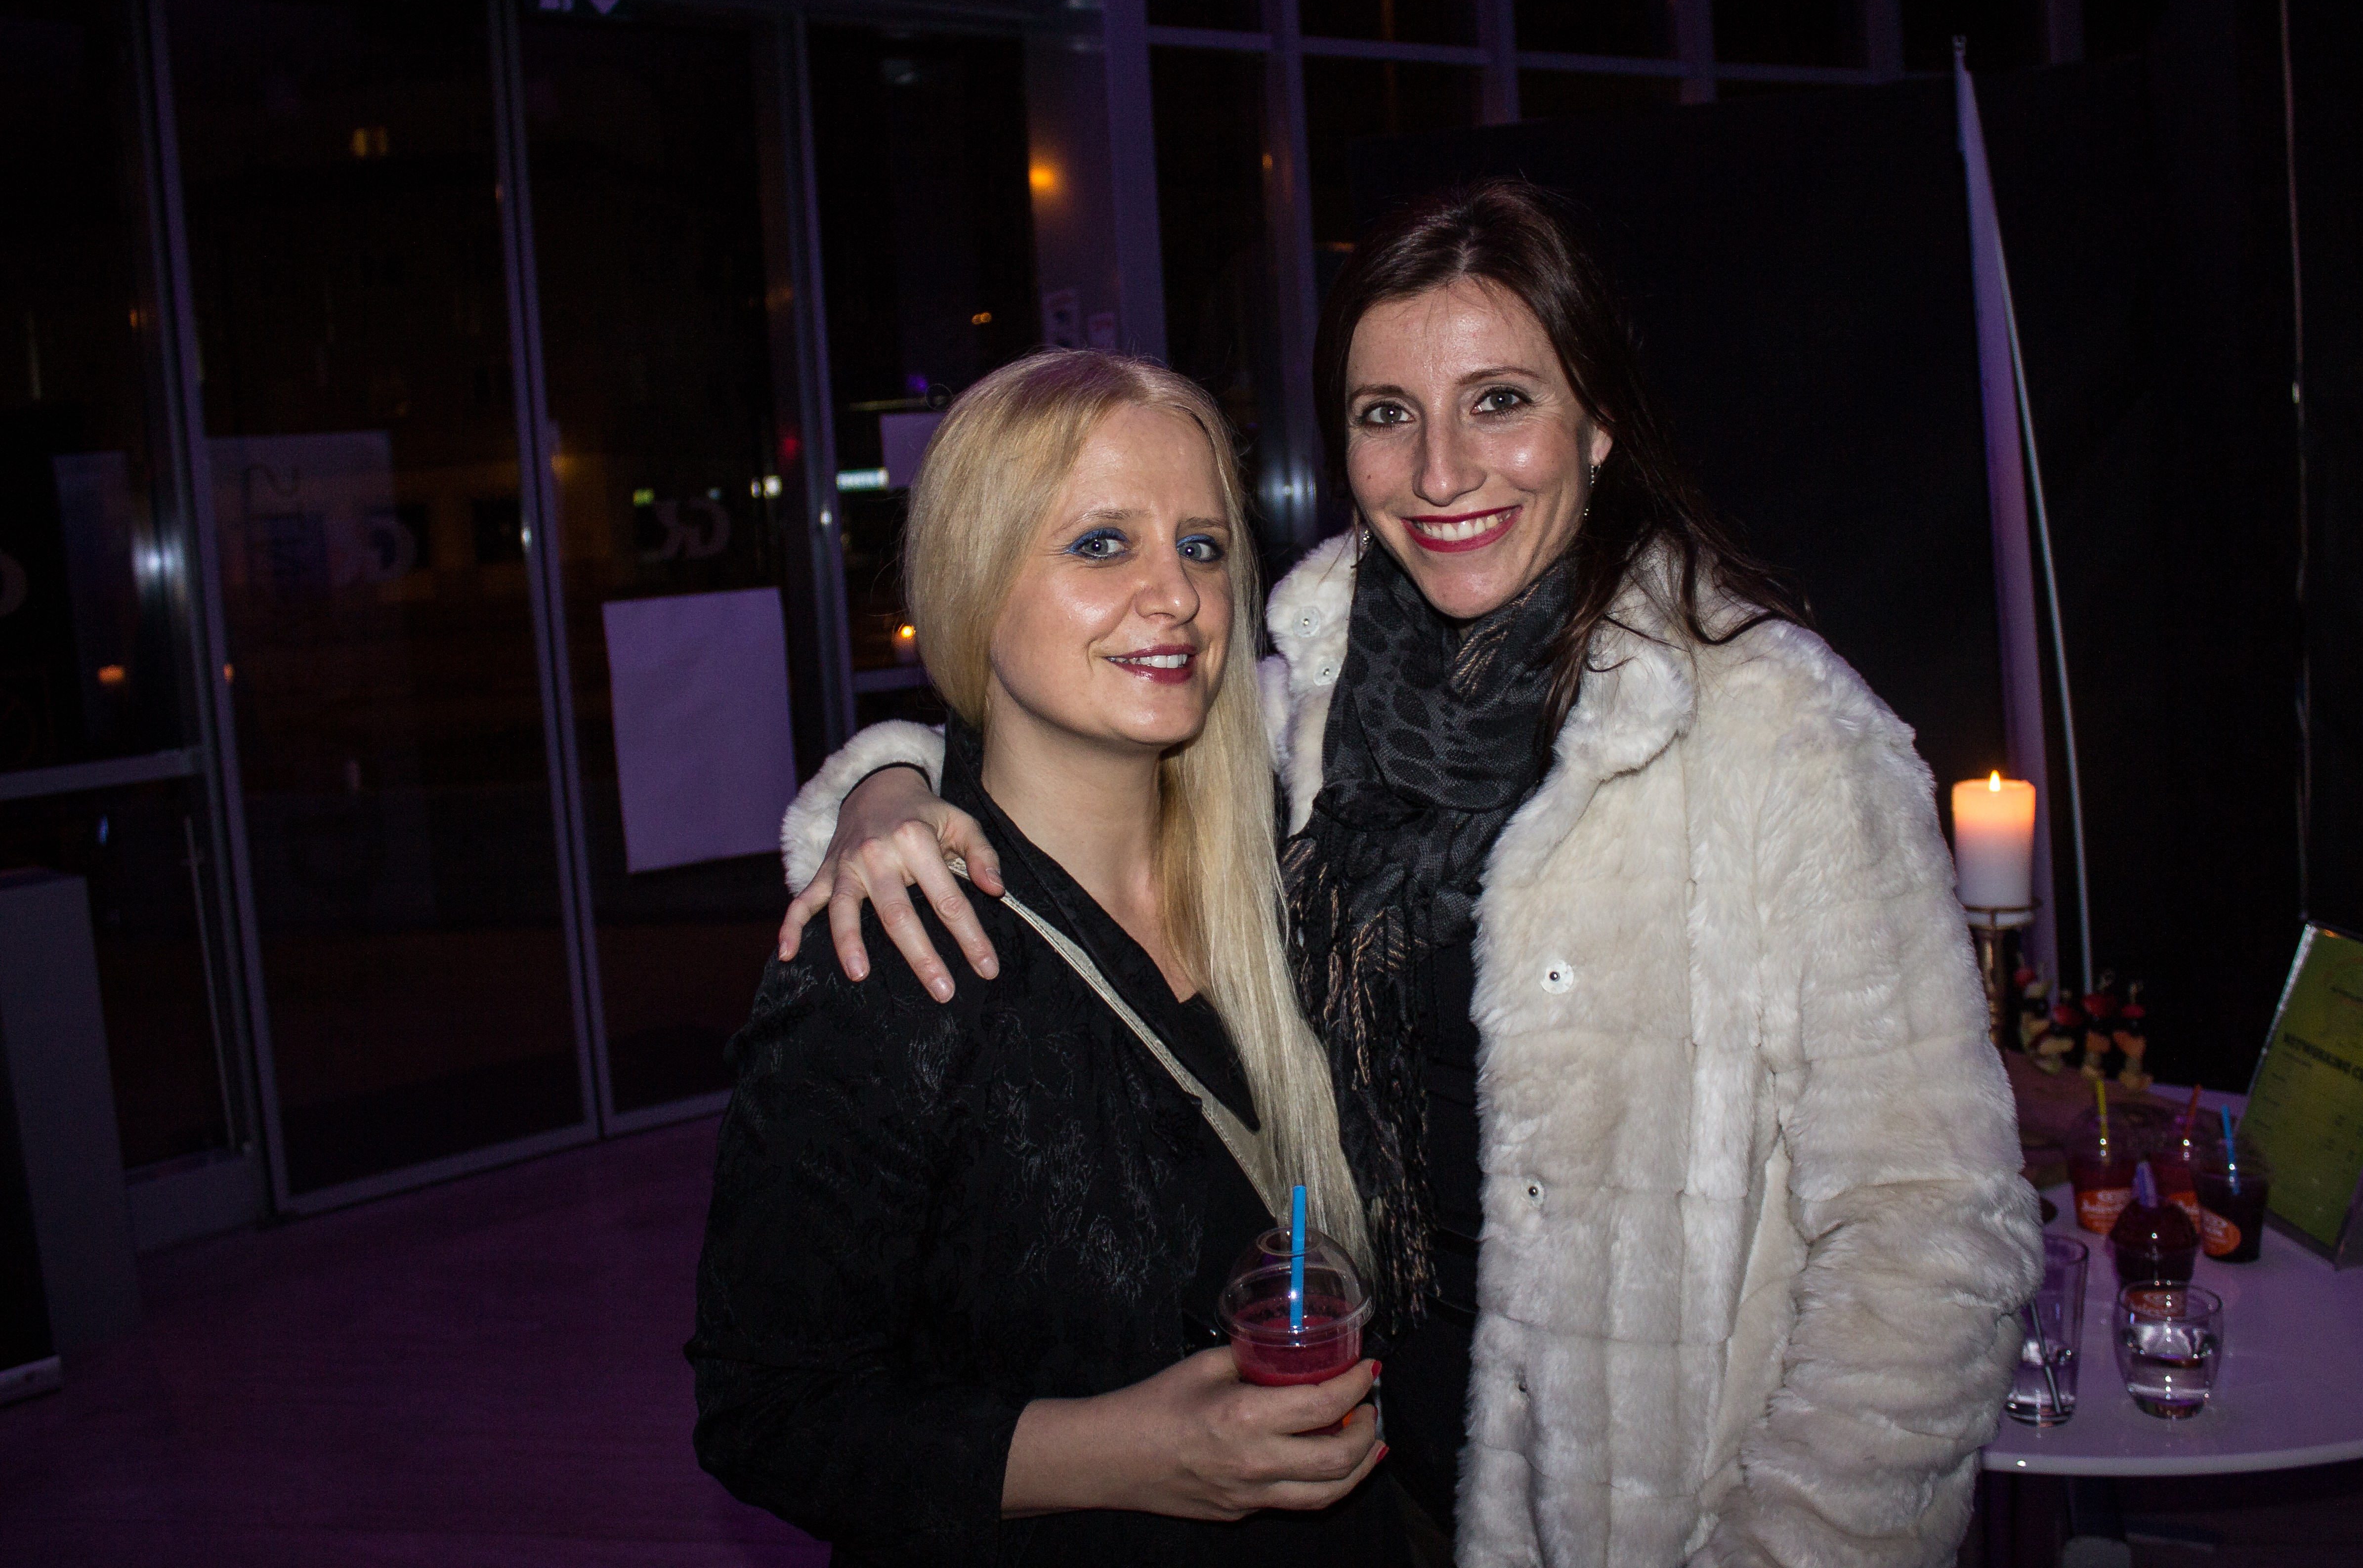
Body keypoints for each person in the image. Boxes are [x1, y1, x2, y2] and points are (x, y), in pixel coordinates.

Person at [779, 182, 2045, 1565]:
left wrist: (1792, 1547)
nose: (1442, 472)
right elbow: (1059, 745)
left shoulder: (1773, 732)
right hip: (1363, 1501)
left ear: (1599, 423)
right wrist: (883, 790)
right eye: (1388, 413)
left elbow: (1931, 1229)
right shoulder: (1309, 707)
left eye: (1499, 401)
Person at [689, 349, 1398, 1566]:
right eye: (1101, 544)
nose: (1176, 596)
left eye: (1203, 546)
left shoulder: (1292, 877)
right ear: (975, 582)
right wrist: (1125, 1454)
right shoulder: (899, 952)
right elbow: (766, 1411)